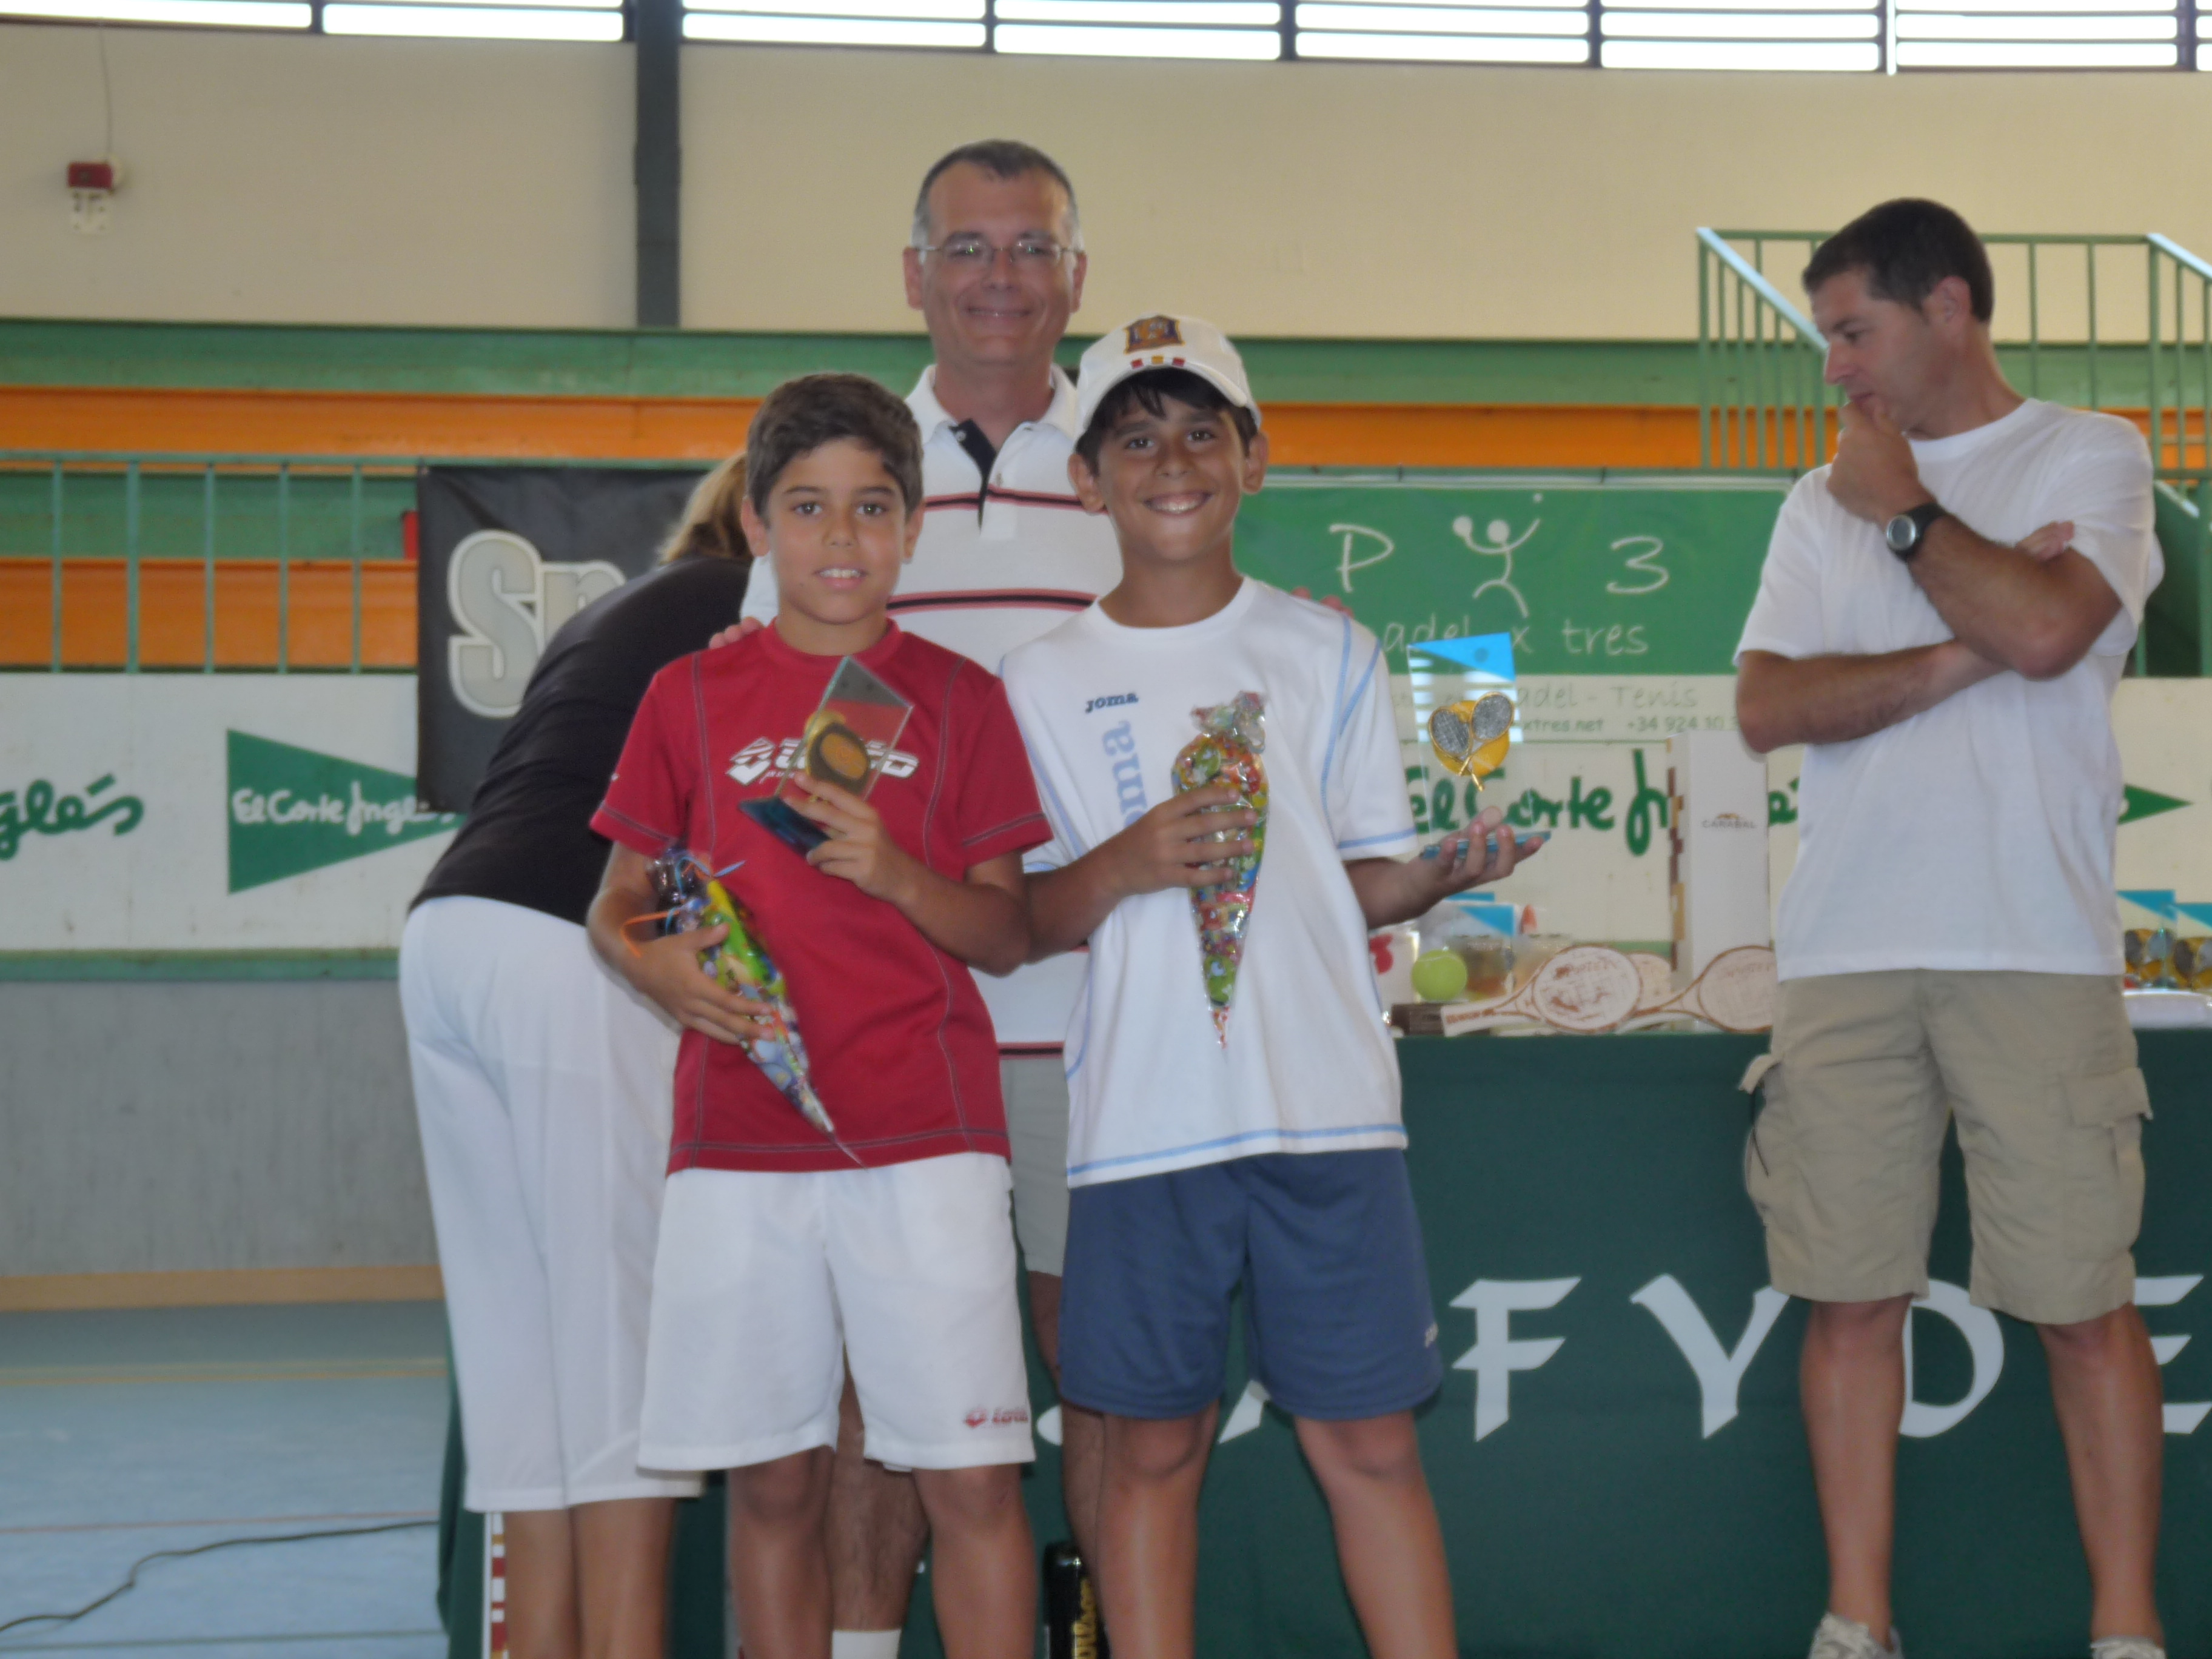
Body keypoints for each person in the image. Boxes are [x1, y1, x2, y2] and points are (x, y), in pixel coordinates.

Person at [1000, 314, 1546, 1659]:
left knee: (1369, 1445)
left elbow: (1350, 882)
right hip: (1144, 1124)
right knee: (1149, 1452)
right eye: (1137, 438)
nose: (1172, 462)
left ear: (1253, 458)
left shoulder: (1328, 651)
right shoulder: (1037, 681)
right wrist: (1128, 861)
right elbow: (1024, 920)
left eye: (1202, 432)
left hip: (1328, 1112)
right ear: (1087, 479)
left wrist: (1442, 877)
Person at [1733, 199, 2168, 1659]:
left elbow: (2052, 632)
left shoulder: (2092, 453)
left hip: (2033, 941)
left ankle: (2125, 1632)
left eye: (1854, 332)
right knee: (1849, 1299)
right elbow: (1769, 709)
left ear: (1950, 309)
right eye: (1826, 338)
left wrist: (1912, 519)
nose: (1835, 368)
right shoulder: (1816, 500)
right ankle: (1857, 1624)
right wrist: (1972, 639)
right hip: (1844, 947)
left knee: (2080, 1303)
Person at [586, 373, 1047, 1659]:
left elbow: (1006, 934)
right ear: (756, 526)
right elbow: (617, 903)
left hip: (926, 1138)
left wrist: (899, 875)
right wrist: (656, 968)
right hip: (738, 1142)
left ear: (912, 527)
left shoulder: (962, 699)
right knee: (776, 1484)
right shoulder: (687, 696)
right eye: (806, 507)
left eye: (871, 508)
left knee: (971, 1483)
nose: (840, 538)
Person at [735, 137, 1121, 1652]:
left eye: (1031, 248)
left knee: (1097, 1367)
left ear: (1076, 277)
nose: (999, 278)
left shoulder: (1135, 458)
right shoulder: (848, 476)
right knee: (872, 1392)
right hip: (886, 1025)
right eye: (968, 247)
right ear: (914, 274)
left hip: (1096, 1018)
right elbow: (765, 746)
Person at [400, 455, 752, 1658]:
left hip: (451, 938)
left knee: (522, 1390)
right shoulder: (747, 608)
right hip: (570, 952)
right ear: (766, 521)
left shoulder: (621, 611)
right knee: (619, 1376)